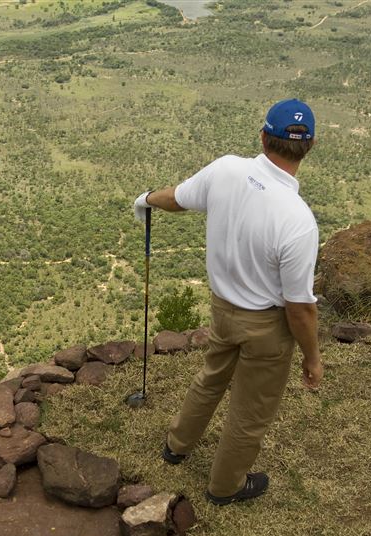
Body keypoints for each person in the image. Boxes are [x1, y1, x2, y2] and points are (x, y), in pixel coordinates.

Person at [133, 98, 323, 506]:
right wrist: (312, 357)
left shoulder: (226, 170)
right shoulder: (298, 220)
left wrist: (146, 198)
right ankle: (225, 487)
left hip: (223, 308)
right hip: (267, 327)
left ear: (262, 136)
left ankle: (177, 445)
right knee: (250, 412)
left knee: (212, 377)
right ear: (309, 146)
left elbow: (176, 199)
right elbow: (299, 307)